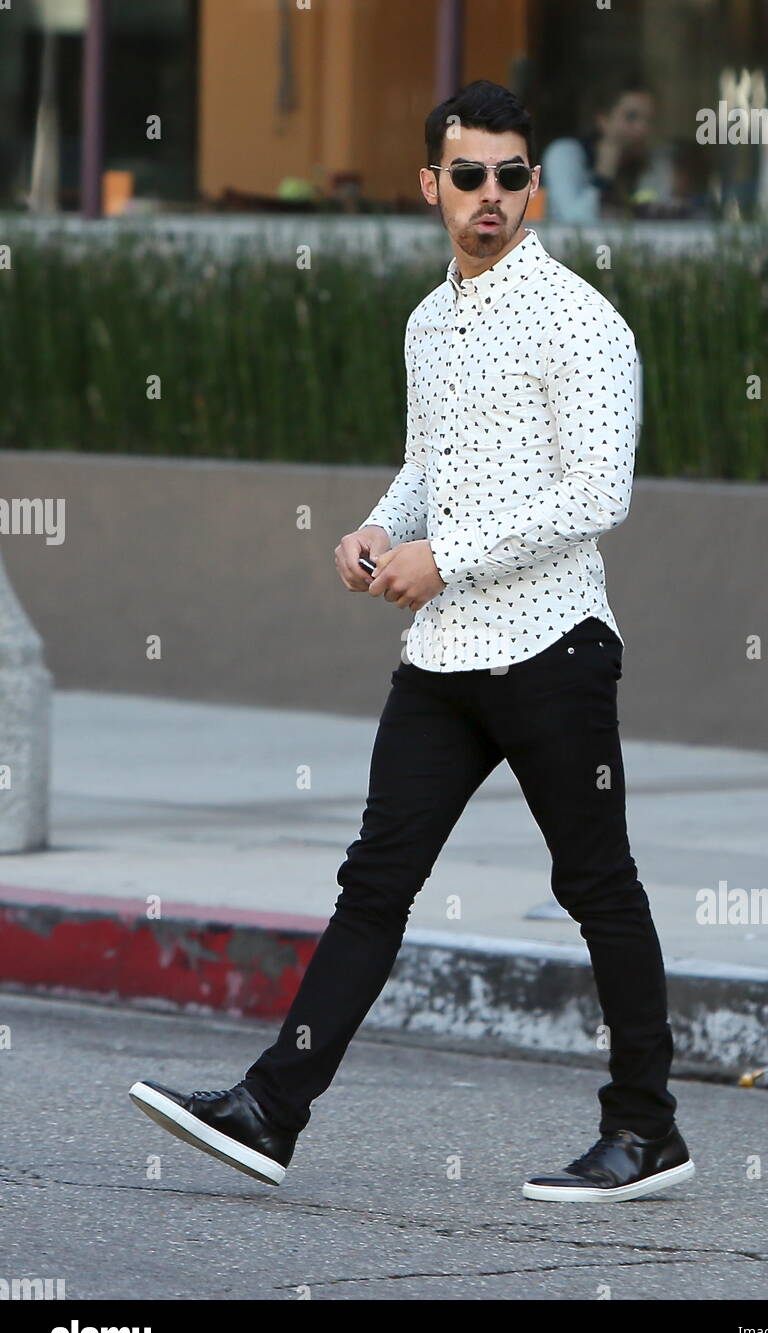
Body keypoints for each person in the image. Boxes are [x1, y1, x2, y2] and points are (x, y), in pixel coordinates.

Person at [129, 79, 695, 1205]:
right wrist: (382, 530)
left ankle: (647, 1130)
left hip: (554, 646)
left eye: (512, 176)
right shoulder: (426, 323)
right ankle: (270, 1108)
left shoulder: (582, 321)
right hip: (444, 658)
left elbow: (600, 493)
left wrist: (451, 556)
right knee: (375, 879)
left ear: (533, 188)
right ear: (430, 184)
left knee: (596, 884)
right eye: (468, 174)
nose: (491, 195)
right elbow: (428, 468)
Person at [542, 76, 677, 223]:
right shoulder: (566, 154)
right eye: (631, 117)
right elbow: (574, 222)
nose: (642, 129)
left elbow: (660, 221)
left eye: (649, 120)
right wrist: (602, 177)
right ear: (603, 120)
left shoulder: (652, 163)